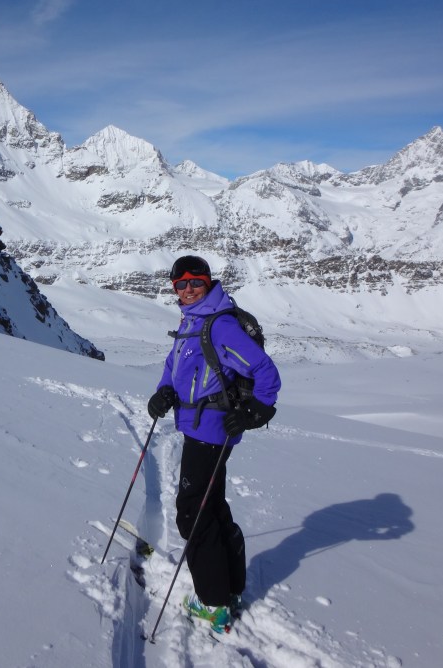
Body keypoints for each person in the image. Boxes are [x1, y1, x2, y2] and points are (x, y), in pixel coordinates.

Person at [147, 255, 281, 632]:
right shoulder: (193, 320)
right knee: (212, 504)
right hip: (198, 426)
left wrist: (259, 409)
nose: (188, 289)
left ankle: (214, 601)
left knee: (193, 512)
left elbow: (265, 370)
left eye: (195, 281)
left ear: (208, 282)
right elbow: (175, 367)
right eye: (180, 283)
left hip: (211, 431)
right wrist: (163, 392)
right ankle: (231, 584)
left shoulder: (219, 325)